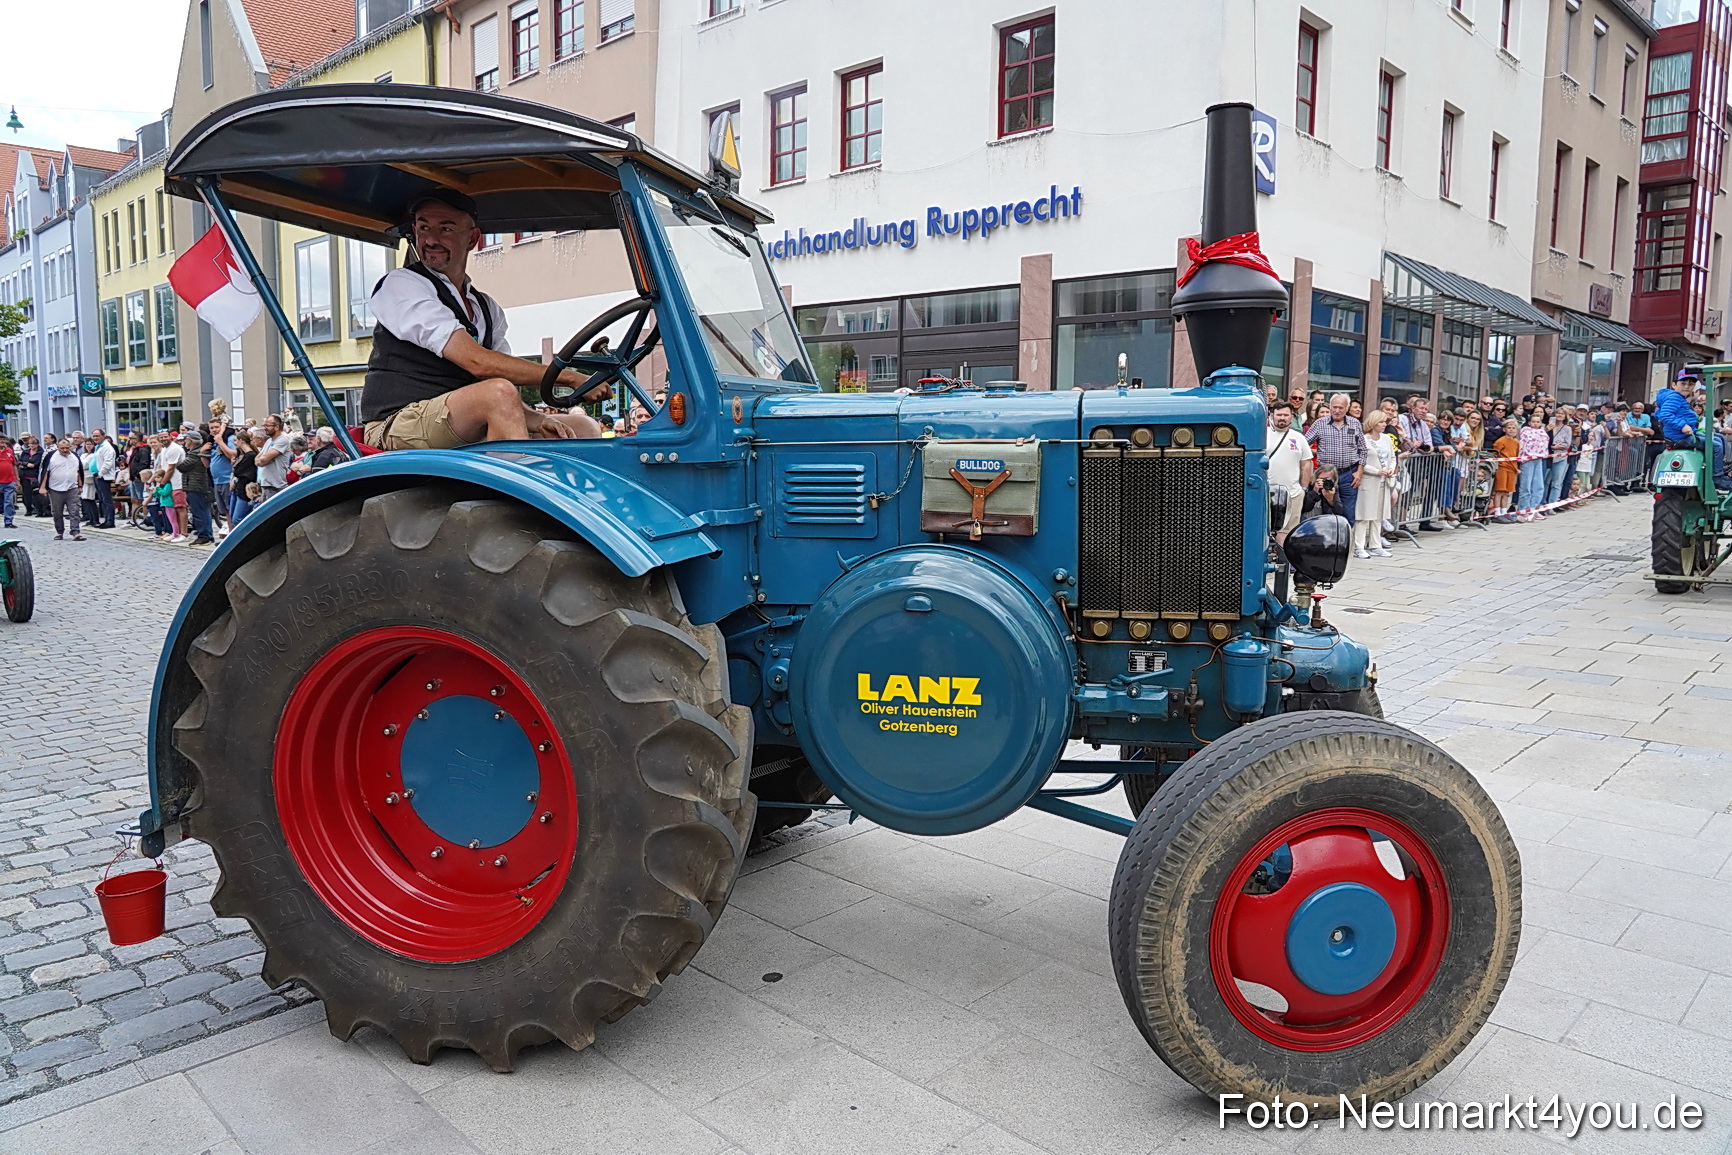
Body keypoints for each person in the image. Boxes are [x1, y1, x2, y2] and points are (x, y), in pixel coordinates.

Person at [361, 190, 604, 450]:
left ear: (472, 239)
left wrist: (537, 419)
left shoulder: (486, 307)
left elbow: (499, 376)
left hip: (455, 420)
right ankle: (512, 490)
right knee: (497, 393)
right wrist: (568, 377)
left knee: (582, 428)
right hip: (395, 423)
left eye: (445, 229)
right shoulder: (402, 284)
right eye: (423, 228)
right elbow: (477, 363)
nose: (431, 239)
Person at [1305, 392, 1365, 521]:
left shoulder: (1355, 424)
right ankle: (1330, 540)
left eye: (1341, 408)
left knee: (1348, 512)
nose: (1337, 410)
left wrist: (1359, 472)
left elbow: (1363, 450)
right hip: (1327, 475)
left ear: (1347, 408)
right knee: (1329, 513)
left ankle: (1346, 540)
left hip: (1349, 474)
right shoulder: (1319, 423)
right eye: (1334, 407)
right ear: (1330, 406)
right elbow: (1304, 444)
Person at [1266, 399, 1312, 546]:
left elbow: (1306, 463)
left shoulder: (1299, 438)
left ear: (1291, 417)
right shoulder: (1262, 435)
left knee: (1287, 531)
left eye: (1286, 415)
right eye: (1279, 414)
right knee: (1264, 530)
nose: (1282, 418)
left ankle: (1284, 562)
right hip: (1266, 492)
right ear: (1272, 415)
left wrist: (1303, 489)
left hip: (1292, 493)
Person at [1354, 411, 1398, 558]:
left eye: (1385, 422)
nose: (1384, 424)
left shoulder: (1386, 439)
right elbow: (1360, 461)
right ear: (1373, 423)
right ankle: (1358, 546)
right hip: (1369, 481)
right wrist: (1376, 471)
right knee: (1364, 514)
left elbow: (1392, 457)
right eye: (1381, 422)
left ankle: (1375, 544)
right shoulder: (1364, 439)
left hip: (1384, 481)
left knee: (1378, 515)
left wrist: (1391, 469)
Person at [38, 438, 84, 540]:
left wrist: (80, 485)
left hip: (72, 487)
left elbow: (78, 472)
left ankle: (75, 532)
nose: (64, 450)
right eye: (62, 448)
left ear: (70, 447)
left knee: (75, 510)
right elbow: (45, 472)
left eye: (67, 447)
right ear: (57, 447)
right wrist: (42, 487)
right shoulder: (51, 456)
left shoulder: (74, 456)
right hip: (55, 488)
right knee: (57, 512)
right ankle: (60, 531)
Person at [178, 431, 216, 545]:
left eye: (186, 439)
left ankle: (204, 535)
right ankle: (207, 535)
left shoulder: (195, 454)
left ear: (190, 440)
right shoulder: (195, 452)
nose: (184, 442)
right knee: (203, 511)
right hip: (196, 486)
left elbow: (181, 466)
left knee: (199, 512)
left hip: (196, 486)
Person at [1516, 411, 1551, 521]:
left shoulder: (1543, 432)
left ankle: (1534, 509)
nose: (1535, 424)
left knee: (1538, 485)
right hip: (1527, 460)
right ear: (1529, 422)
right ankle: (1523, 510)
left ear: (1541, 423)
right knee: (1526, 486)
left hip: (1539, 459)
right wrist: (1522, 459)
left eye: (1538, 422)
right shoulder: (1525, 431)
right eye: (1533, 421)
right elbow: (1522, 445)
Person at [1656, 371, 1701, 448]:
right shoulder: (1674, 398)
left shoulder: (1681, 398)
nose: (1686, 387)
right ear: (1674, 385)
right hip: (1679, 437)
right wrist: (1683, 426)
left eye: (1690, 384)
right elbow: (1665, 415)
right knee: (1716, 445)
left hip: (1682, 435)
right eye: (1683, 384)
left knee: (1717, 438)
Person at [255, 414, 293, 501]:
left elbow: (263, 459)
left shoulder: (282, 440)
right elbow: (257, 461)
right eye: (264, 425)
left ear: (276, 427)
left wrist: (264, 460)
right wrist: (264, 460)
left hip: (276, 487)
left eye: (267, 425)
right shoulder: (268, 441)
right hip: (266, 486)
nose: (264, 428)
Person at [157, 431, 187, 542]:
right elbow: (163, 467)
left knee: (180, 507)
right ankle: (175, 532)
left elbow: (171, 468)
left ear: (170, 437)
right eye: (161, 437)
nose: (163, 438)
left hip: (177, 482)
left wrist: (162, 483)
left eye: (165, 436)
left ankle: (183, 533)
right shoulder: (164, 450)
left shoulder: (174, 448)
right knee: (172, 509)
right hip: (170, 483)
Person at [1490, 418, 1521, 523]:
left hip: (1512, 469)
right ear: (1504, 429)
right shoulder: (1500, 441)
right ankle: (1497, 512)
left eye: (1513, 428)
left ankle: (1504, 512)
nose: (1511, 430)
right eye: (1509, 428)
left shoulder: (1516, 442)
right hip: (1502, 468)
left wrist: (1516, 468)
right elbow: (1495, 454)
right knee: (1499, 491)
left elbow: (1516, 456)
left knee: (1507, 492)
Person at [207, 419, 234, 537]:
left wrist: (221, 442)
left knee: (231, 509)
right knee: (225, 511)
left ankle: (234, 533)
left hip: (227, 479)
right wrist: (203, 452)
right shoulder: (213, 442)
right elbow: (207, 464)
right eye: (211, 428)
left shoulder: (229, 438)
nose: (214, 430)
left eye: (216, 427)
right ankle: (230, 532)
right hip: (216, 480)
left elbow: (233, 455)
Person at [88, 429, 118, 529]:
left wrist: (100, 474)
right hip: (97, 476)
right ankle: (106, 519)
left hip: (104, 477)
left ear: (103, 436)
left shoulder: (107, 447)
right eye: (94, 436)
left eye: (97, 436)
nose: (95, 438)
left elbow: (108, 463)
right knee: (102, 499)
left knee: (106, 499)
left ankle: (110, 521)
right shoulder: (99, 447)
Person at [229, 430, 260, 525]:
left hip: (245, 491)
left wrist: (236, 477)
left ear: (241, 440)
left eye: (236, 440)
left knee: (238, 519)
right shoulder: (242, 455)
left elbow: (243, 473)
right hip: (239, 489)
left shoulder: (250, 456)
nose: (234, 443)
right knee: (233, 517)